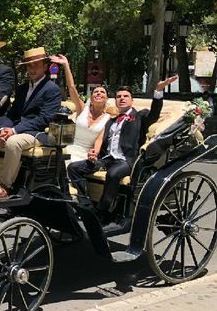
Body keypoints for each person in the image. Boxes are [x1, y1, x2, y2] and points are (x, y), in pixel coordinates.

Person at [67, 75, 178, 220]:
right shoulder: (110, 121)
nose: (122, 98)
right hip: (107, 159)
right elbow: (101, 140)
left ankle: (103, 211)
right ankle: (85, 204)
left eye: (126, 96)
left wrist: (158, 90)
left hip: (126, 161)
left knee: (113, 174)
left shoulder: (139, 117)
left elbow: (154, 114)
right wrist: (94, 153)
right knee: (74, 168)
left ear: (132, 101)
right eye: (119, 96)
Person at [0, 46, 62, 199]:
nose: (31, 69)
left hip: (37, 134)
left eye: (36, 65)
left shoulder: (52, 89)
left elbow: (43, 119)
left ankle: (5, 184)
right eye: (29, 66)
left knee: (13, 143)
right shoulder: (22, 89)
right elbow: (11, 114)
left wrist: (14, 130)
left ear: (45, 67)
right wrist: (4, 128)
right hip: (16, 130)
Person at [49, 54, 111, 163]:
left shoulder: (108, 119)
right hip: (68, 149)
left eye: (102, 92)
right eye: (96, 92)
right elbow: (72, 87)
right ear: (91, 98)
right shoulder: (82, 109)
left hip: (85, 155)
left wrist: (94, 154)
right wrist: (66, 65)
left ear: (106, 99)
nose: (99, 94)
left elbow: (99, 141)